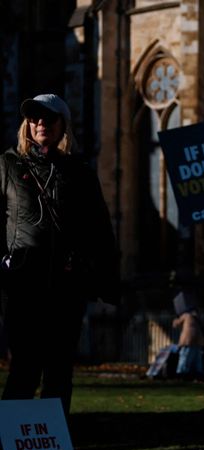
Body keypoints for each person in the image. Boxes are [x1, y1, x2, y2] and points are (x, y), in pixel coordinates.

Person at [0, 93, 119, 416]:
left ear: (62, 126)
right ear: (26, 124)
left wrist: (106, 281)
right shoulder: (7, 165)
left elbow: (99, 229)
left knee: (59, 373)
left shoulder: (79, 171)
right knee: (24, 369)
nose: (40, 124)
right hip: (24, 282)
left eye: (48, 119)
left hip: (67, 285)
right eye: (34, 118)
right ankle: (12, 448)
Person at [172, 306, 204, 380]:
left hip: (188, 341)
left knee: (185, 358)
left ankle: (182, 375)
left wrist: (176, 318)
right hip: (198, 341)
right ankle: (198, 375)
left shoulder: (186, 315)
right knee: (197, 360)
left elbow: (175, 324)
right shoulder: (198, 317)